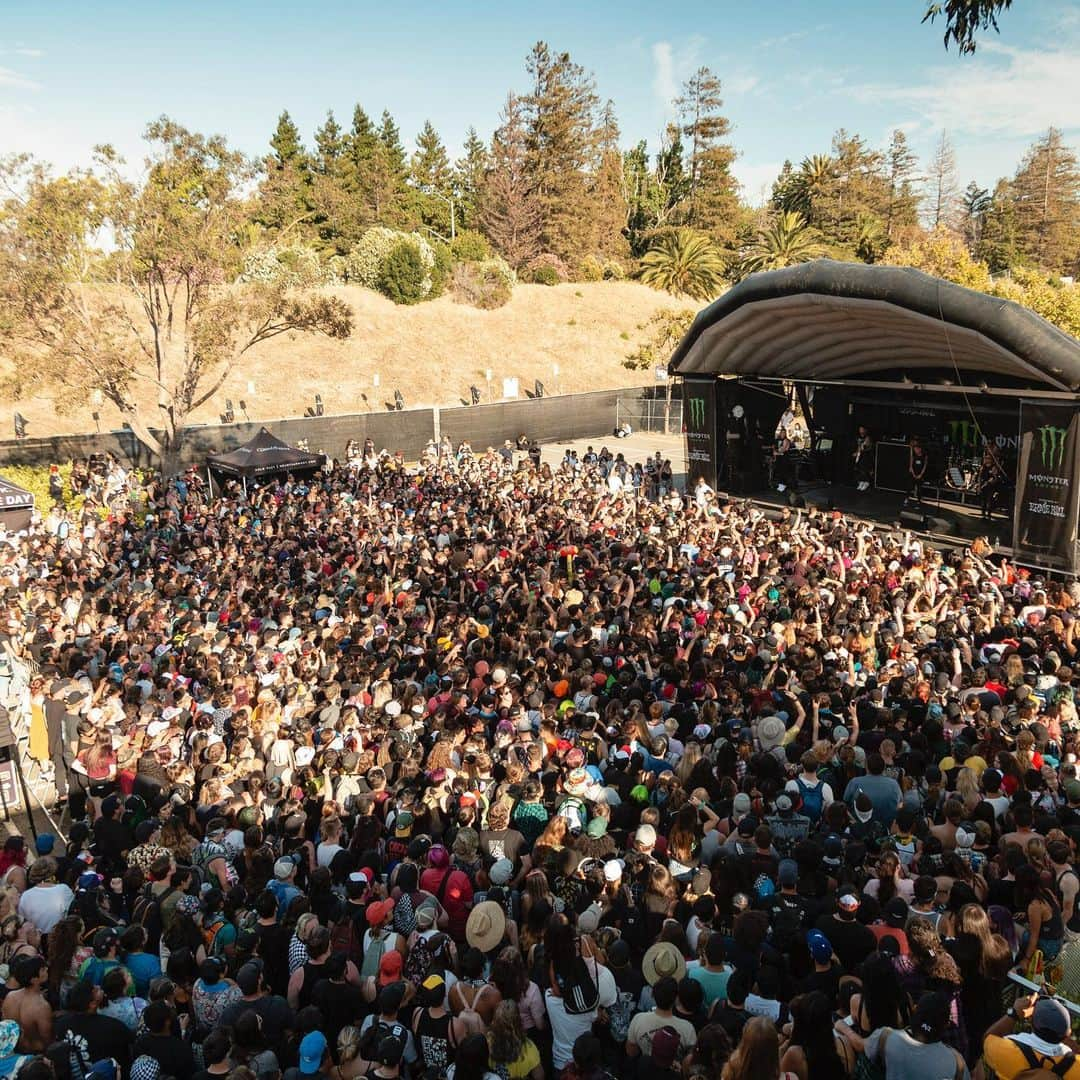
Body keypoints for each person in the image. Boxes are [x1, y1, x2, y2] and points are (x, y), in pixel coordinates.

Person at [863, 992, 968, 1080]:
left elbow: (863, 1048)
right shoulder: (956, 1063)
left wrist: (846, 1030)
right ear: (946, 1025)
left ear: (915, 1009)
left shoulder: (885, 1038)